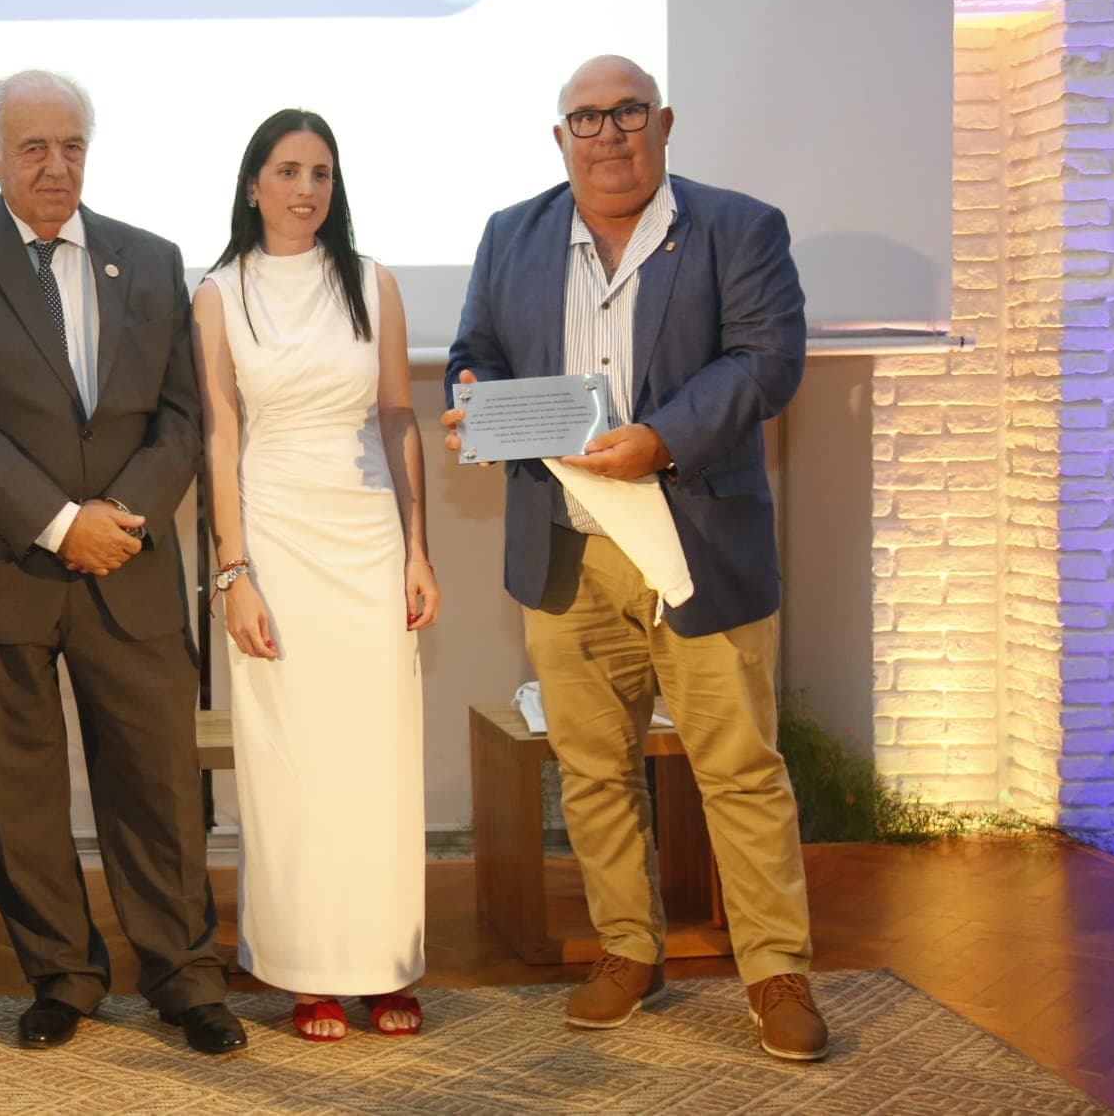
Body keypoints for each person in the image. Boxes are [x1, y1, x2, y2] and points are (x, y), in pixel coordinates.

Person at [443, 55, 826, 1061]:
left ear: (661, 123)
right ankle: (626, 947)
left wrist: (657, 439)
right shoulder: (510, 235)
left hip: (693, 540)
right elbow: (473, 343)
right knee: (590, 770)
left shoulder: (737, 228)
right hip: (567, 550)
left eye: (625, 114)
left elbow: (765, 359)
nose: (606, 134)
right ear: (558, 136)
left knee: (737, 768)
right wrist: (480, 396)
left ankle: (774, 970)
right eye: (585, 118)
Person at [0, 70, 244, 1056]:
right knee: (18, 793)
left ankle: (182, 975)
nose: (55, 165)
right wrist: (58, 523)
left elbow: (181, 415)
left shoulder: (148, 258)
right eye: (32, 148)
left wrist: (116, 519)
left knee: (160, 787)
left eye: (71, 146)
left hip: (126, 565)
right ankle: (62, 974)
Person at [192, 110, 439, 1041]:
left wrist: (417, 548)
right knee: (292, 762)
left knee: (376, 757)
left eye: (323, 173)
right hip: (276, 541)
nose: (307, 189)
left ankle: (384, 963)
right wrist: (233, 569)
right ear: (254, 182)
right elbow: (221, 435)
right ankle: (305, 970)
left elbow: (398, 416)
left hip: (368, 540)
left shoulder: (374, 284)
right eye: (289, 170)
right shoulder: (219, 294)